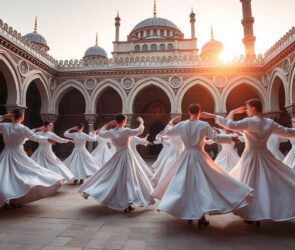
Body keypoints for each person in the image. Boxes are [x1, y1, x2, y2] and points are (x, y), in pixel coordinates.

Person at [153, 104, 253, 229]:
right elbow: (216, 138)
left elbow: (167, 132)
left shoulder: (182, 125)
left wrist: (171, 122)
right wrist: (231, 138)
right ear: (199, 112)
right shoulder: (203, 125)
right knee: (201, 185)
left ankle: (189, 213)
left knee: (185, 184)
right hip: (200, 156)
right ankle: (200, 216)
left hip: (186, 156)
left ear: (188, 112)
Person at [202, 99, 295, 224]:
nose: (247, 111)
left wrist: (214, 116)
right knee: (265, 183)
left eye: (248, 108)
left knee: (249, 183)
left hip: (251, 156)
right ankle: (260, 211)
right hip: (265, 155)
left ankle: (253, 213)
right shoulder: (269, 122)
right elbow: (286, 132)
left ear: (254, 108)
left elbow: (230, 125)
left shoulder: (250, 121)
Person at [79, 114, 155, 212]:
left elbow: (101, 133)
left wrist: (107, 124)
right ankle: (127, 202)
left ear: (116, 121)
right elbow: (139, 130)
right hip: (127, 155)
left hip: (117, 155)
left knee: (116, 176)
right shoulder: (126, 131)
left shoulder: (111, 132)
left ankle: (125, 201)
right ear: (123, 120)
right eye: (126, 119)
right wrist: (142, 122)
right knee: (130, 178)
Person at [0, 109, 64, 208]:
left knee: (5, 176)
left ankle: (8, 200)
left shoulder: (4, 126)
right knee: (24, 174)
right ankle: (13, 199)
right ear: (22, 117)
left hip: (6, 153)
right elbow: (35, 137)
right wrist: (47, 139)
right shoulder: (22, 128)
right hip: (18, 154)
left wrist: (3, 116)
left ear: (11, 116)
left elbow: (33, 135)